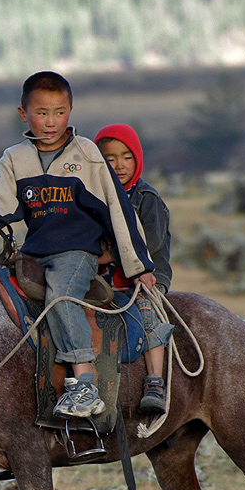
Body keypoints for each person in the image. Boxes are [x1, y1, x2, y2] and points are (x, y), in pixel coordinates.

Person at [0, 72, 155, 419]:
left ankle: (85, 385)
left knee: (61, 294)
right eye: (42, 112)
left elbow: (118, 211)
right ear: (23, 113)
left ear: (71, 111)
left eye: (60, 112)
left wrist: (139, 266)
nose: (51, 122)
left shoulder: (88, 155)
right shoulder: (15, 157)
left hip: (77, 252)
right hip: (34, 252)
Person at [93, 123, 175, 415]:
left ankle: (154, 381)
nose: (118, 165)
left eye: (126, 157)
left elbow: (148, 246)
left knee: (147, 312)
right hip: (105, 277)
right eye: (109, 158)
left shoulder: (147, 198)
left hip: (147, 273)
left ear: (137, 159)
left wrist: (104, 256)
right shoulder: (95, 196)